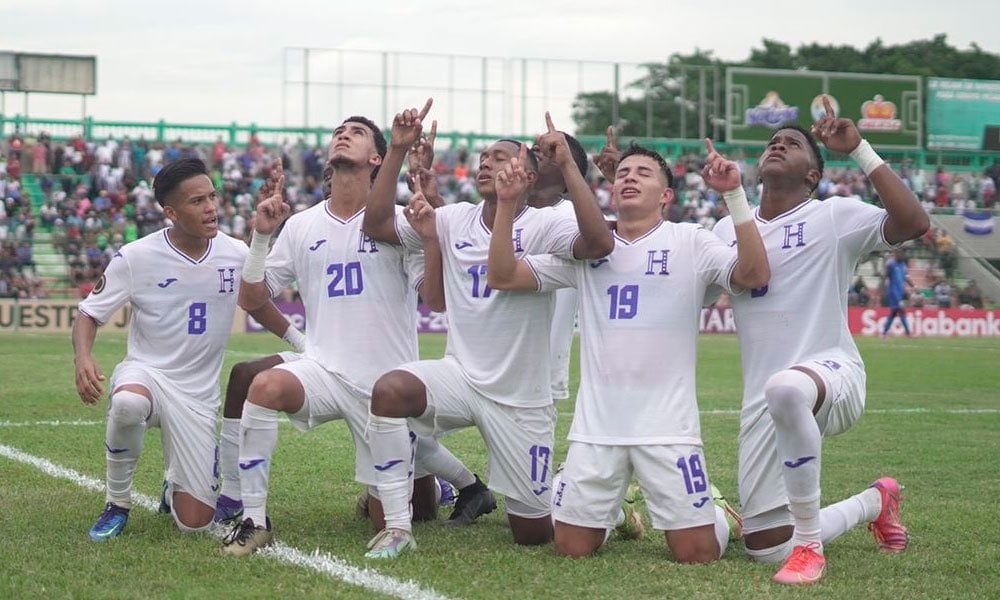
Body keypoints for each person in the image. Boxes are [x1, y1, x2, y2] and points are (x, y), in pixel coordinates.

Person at [486, 141, 766, 561]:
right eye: (623, 174)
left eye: (644, 173)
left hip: (668, 427)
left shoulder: (690, 240)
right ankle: (614, 511)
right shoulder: (588, 251)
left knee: (697, 555)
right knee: (572, 549)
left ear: (666, 196)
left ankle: (717, 512)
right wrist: (507, 206)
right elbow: (504, 275)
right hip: (597, 429)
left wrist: (734, 195)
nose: (630, 178)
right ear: (611, 192)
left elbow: (754, 275)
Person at [360, 105, 614, 559]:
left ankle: (588, 502)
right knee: (390, 389)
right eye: (484, 157)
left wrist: (571, 167)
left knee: (531, 533)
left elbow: (598, 244)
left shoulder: (545, 222)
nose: (486, 163)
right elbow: (376, 224)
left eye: (501, 157)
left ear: (529, 177)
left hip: (522, 398)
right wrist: (397, 150)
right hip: (461, 376)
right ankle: (397, 527)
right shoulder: (453, 218)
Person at [221, 117, 476, 556]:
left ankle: (432, 483)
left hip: (384, 389)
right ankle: (254, 520)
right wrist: (261, 236)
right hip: (323, 369)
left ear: (377, 158)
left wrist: (431, 238)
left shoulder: (400, 223)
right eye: (339, 131)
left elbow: (433, 298)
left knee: (411, 513)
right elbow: (251, 296)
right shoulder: (301, 225)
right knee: (262, 386)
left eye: (356, 133)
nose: (343, 134)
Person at [711, 97, 927, 584]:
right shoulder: (728, 226)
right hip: (764, 399)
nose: (778, 145)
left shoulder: (834, 216)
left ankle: (810, 548)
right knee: (765, 547)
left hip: (833, 374)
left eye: (793, 143)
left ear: (813, 175)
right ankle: (875, 501)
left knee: (787, 388)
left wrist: (861, 150)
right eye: (773, 141)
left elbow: (914, 224)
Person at [72, 158, 290, 540]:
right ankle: (116, 503)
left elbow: (257, 304)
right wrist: (83, 358)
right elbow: (89, 314)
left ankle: (174, 486)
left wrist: (303, 344)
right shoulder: (137, 256)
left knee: (195, 524)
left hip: (197, 397)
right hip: (148, 374)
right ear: (170, 212)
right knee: (128, 404)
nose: (210, 208)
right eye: (197, 201)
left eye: (213, 196)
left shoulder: (236, 253)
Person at [526, 129, 591, 402]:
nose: (536, 153)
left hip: (540, 377)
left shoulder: (578, 221)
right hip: (480, 366)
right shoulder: (497, 211)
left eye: (551, 152)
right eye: (534, 148)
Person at [881, 249, 914, 337]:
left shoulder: (903, 265)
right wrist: (883, 289)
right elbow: (885, 276)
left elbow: (906, 277)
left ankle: (884, 333)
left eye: (903, 253)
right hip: (893, 293)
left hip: (900, 292)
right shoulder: (891, 264)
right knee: (901, 310)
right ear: (896, 253)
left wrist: (913, 286)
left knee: (894, 313)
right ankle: (908, 333)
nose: (902, 255)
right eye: (900, 253)